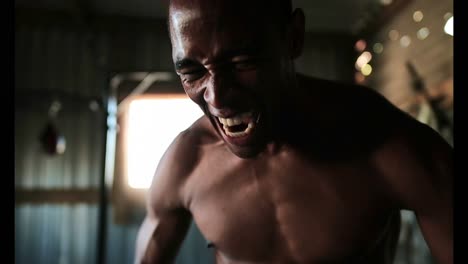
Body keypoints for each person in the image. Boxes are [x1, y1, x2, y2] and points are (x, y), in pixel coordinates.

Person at [134, 0, 453, 263]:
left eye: (242, 61)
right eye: (192, 73)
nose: (216, 97)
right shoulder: (186, 163)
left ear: (293, 38)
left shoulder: (390, 145)